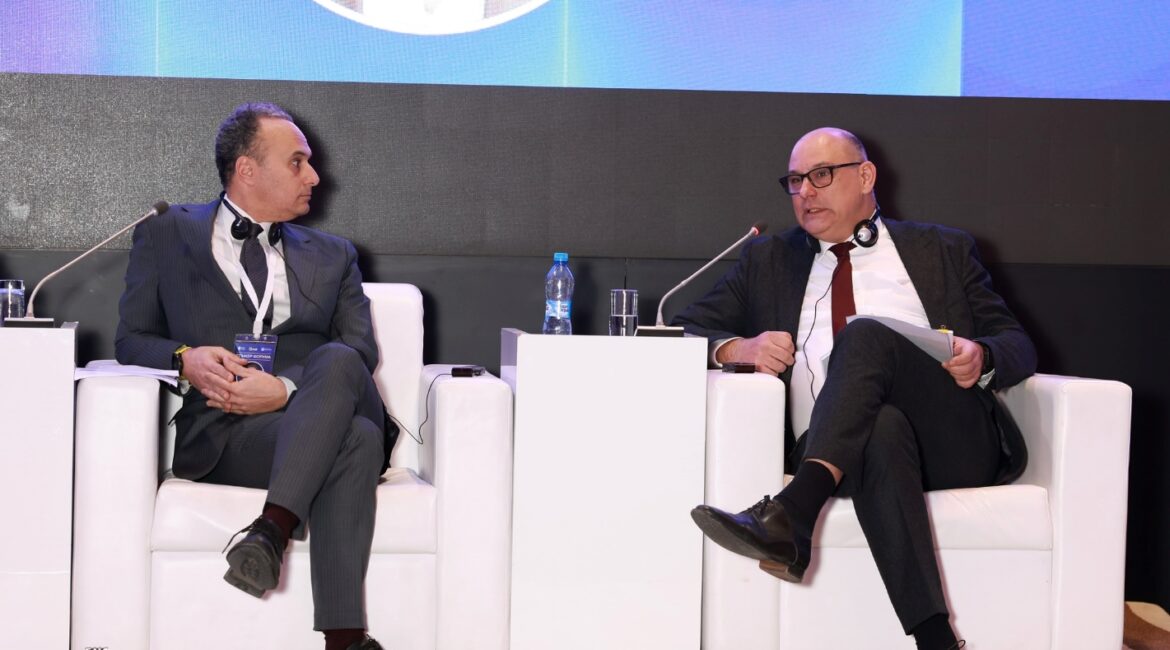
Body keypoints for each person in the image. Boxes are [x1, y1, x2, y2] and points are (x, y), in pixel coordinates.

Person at [676, 127, 1036, 650]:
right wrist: (735, 349)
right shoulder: (768, 260)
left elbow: (1017, 343)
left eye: (821, 175)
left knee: (865, 334)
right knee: (880, 427)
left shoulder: (941, 249)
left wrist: (982, 355)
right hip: (841, 449)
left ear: (866, 176)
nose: (805, 191)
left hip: (951, 440)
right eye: (795, 181)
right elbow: (681, 328)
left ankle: (794, 510)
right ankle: (936, 640)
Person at [115, 102, 396, 650]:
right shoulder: (167, 234)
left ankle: (269, 531)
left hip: (326, 396)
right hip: (229, 434)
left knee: (339, 358)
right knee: (357, 441)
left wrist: (285, 390)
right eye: (297, 162)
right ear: (247, 169)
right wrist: (185, 357)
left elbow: (360, 348)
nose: (314, 177)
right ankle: (344, 641)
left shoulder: (335, 255)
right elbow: (131, 339)